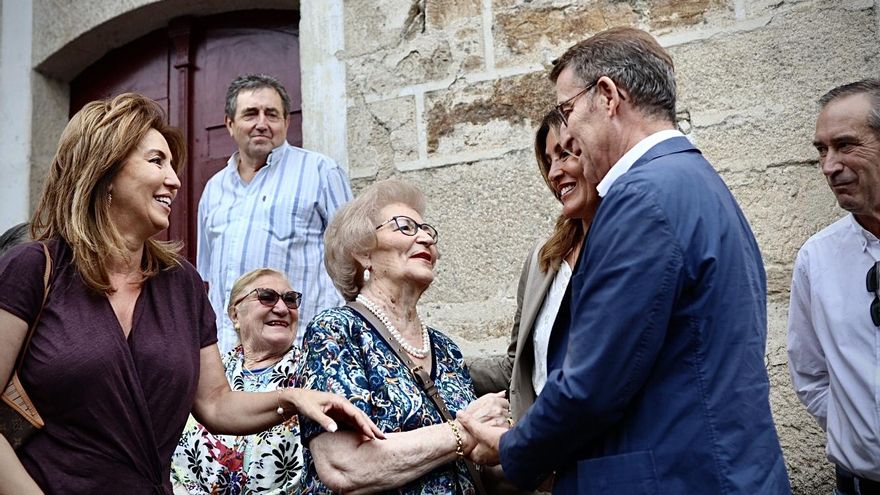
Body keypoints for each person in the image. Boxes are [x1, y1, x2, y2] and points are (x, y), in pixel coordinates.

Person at [459, 27, 790, 493]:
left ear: (608, 96)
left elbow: (592, 383)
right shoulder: (693, 179)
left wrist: (512, 447)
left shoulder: (641, 198)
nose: (569, 135)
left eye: (567, 111)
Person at [0, 93, 381, 494]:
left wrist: (293, 398)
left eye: (173, 165)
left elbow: (215, 403)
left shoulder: (181, 283)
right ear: (105, 170)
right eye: (156, 161)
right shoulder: (33, 268)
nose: (175, 180)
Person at [297, 179, 510, 494]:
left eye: (427, 231)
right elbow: (344, 466)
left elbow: (476, 468)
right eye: (405, 227)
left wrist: (511, 445)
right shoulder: (336, 331)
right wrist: (466, 432)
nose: (425, 237)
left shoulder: (445, 349)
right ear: (363, 252)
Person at [197, 73, 352, 354]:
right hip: (229, 358)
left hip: (303, 351)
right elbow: (210, 281)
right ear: (230, 124)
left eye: (271, 114)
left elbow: (353, 261)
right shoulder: (213, 190)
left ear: (286, 122)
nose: (262, 123)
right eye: (250, 114)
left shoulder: (321, 172)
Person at [468, 111, 599, 425]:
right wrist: (438, 361)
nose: (554, 173)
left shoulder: (623, 246)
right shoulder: (543, 258)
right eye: (549, 161)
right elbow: (517, 368)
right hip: (543, 444)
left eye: (564, 155)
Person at [787, 79, 880, 494]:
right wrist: (857, 433)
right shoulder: (817, 257)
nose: (829, 166)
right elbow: (809, 372)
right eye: (822, 150)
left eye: (845, 145)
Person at [172, 268, 306, 493]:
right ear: (235, 314)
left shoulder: (312, 375)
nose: (282, 308)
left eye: (290, 300)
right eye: (267, 297)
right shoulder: (206, 377)